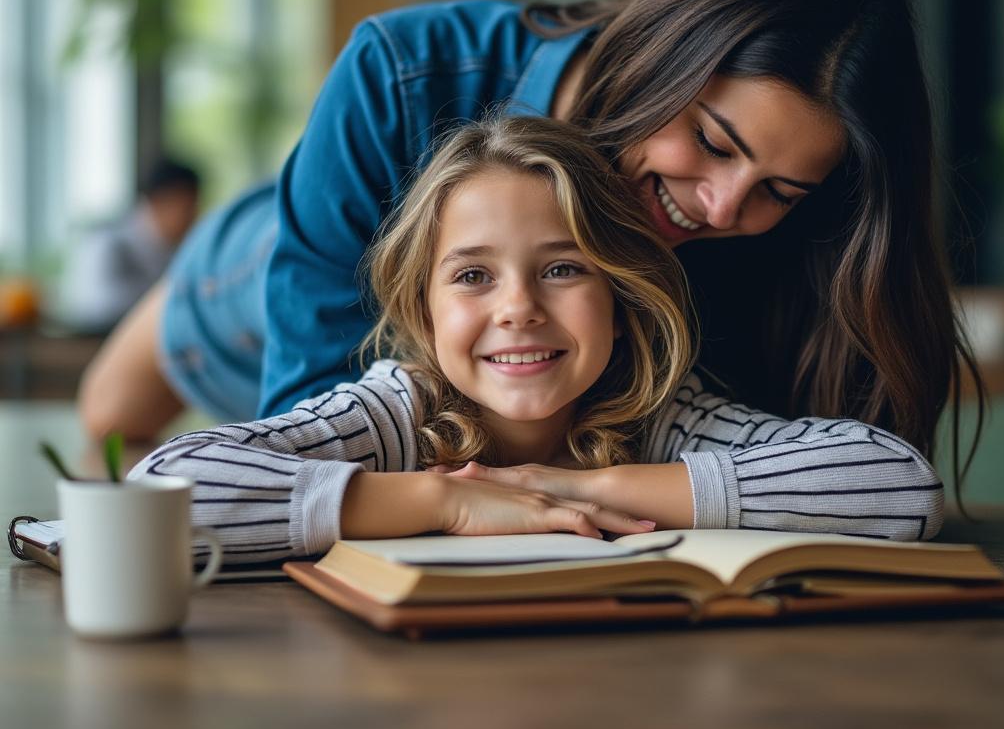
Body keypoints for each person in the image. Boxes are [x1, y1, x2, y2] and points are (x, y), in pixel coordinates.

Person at [90, 0, 981, 505]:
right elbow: (308, 426)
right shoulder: (404, 72)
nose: (720, 208)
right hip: (244, 288)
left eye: (779, 192)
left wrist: (576, 486)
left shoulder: (733, 237)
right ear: (664, 57)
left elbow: (852, 473)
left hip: (449, 369)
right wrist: (458, 503)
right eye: (712, 142)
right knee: (108, 430)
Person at [128, 117, 943, 565]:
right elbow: (159, 488)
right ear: (425, 313)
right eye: (473, 276)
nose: (517, 308)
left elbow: (899, 485)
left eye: (562, 269)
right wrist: (445, 501)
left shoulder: (666, 420)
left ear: (620, 301)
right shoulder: (395, 414)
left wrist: (583, 488)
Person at [60, 159, 200, 334]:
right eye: (187, 208)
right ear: (160, 202)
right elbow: (98, 306)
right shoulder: (107, 243)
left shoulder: (171, 248)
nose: (193, 217)